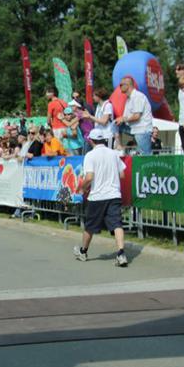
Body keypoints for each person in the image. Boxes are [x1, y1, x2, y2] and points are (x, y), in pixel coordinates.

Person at [74, 130, 128, 266]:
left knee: (90, 226)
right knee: (117, 224)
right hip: (114, 194)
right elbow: (122, 175)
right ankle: (121, 253)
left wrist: (81, 187)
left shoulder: (90, 155)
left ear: (91, 141)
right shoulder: (114, 154)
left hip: (97, 195)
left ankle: (83, 251)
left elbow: (89, 177)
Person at [115, 76, 154, 155]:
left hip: (142, 130)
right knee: (115, 125)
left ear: (128, 85)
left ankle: (119, 147)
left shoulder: (137, 96)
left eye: (121, 85)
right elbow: (126, 117)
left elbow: (137, 116)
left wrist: (123, 119)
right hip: (135, 129)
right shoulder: (129, 98)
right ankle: (118, 146)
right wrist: (119, 120)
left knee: (145, 156)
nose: (120, 87)